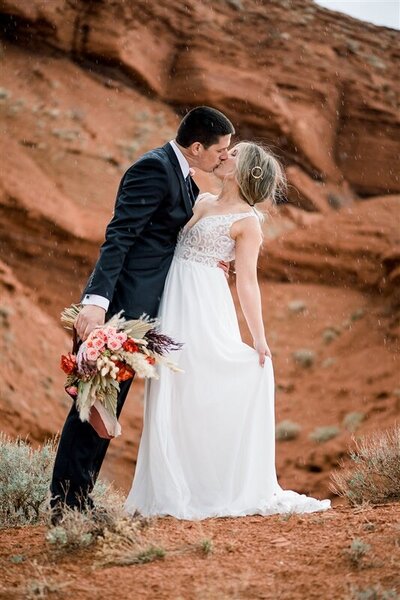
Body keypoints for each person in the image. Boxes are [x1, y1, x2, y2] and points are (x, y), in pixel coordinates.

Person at [125, 142, 331, 519]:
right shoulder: (201, 201)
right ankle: (171, 484)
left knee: (200, 386)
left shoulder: (248, 222)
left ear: (244, 169)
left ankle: (211, 486)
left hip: (205, 307)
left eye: (233, 154)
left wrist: (259, 338)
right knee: (172, 385)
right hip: (174, 302)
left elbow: (248, 282)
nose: (223, 155)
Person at [50, 106, 236, 521]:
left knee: (104, 410)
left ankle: (78, 500)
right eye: (221, 150)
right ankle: (65, 507)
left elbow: (169, 242)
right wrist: (96, 304)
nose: (224, 157)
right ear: (197, 147)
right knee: (90, 408)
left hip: (144, 316)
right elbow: (119, 237)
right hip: (119, 310)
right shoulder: (153, 169)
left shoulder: (185, 179)